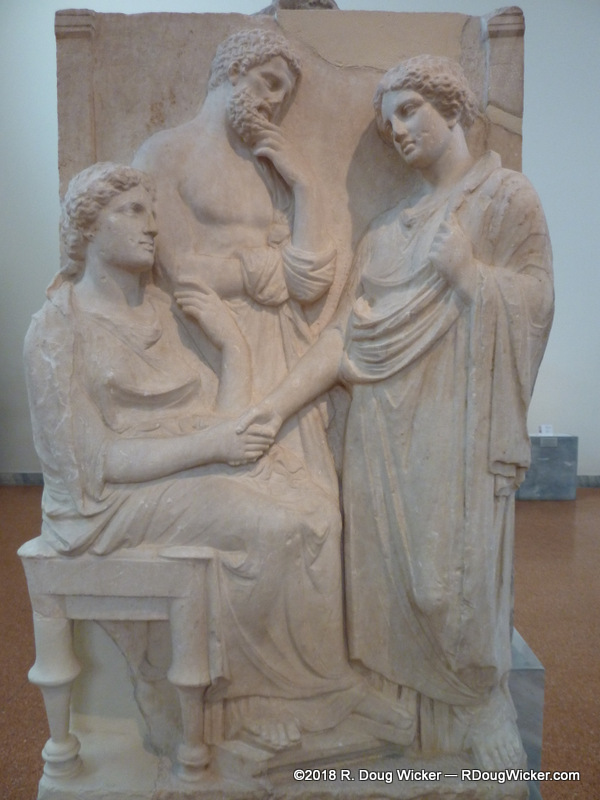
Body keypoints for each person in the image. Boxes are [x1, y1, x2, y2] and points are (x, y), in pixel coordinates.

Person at [23, 161, 413, 754]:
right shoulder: (57, 329)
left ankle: (322, 689)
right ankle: (251, 701)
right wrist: (213, 447)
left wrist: (232, 348)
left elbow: (217, 417)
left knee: (316, 511)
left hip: (181, 469)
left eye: (152, 212)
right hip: (108, 504)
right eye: (132, 211)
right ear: (87, 228)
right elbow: (93, 462)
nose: (151, 226)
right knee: (272, 526)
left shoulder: (161, 311)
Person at [238, 55, 554, 769]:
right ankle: (398, 717)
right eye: (388, 123)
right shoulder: (385, 231)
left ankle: (475, 703)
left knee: (448, 584)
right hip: (379, 431)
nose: (399, 130)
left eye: (410, 110)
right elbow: (342, 337)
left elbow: (537, 301)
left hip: (457, 421)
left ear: (454, 108)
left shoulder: (504, 200)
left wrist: (471, 276)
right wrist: (275, 406)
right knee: (383, 587)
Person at [132, 27, 339, 501]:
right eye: (269, 82)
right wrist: (269, 270)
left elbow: (308, 282)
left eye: (284, 95)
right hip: (208, 339)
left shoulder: (269, 166)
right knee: (236, 497)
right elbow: (181, 274)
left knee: (311, 498)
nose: (274, 103)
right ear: (233, 69)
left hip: (280, 348)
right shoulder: (165, 153)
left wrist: (305, 185)